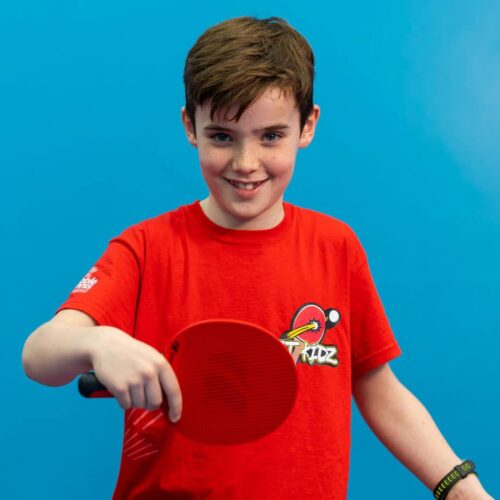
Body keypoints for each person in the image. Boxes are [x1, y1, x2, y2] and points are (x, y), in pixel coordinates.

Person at [22, 16, 492, 500]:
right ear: (189, 126)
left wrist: (460, 488)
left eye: (270, 136)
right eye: (222, 136)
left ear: (307, 126)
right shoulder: (146, 247)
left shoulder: (336, 247)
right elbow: (39, 354)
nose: (246, 164)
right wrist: (97, 343)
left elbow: (377, 388)